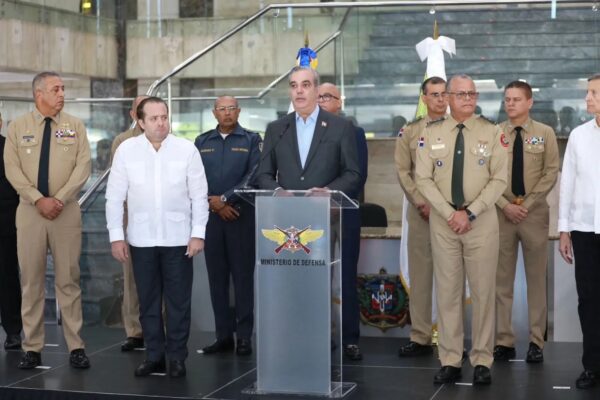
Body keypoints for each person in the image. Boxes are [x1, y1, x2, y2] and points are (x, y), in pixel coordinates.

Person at [106, 97, 209, 378]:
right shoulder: (127, 150)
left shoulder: (186, 149)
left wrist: (198, 234)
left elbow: (199, 196)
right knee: (148, 302)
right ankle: (154, 356)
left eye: (164, 117)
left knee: (178, 303)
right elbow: (114, 197)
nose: (161, 123)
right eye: (154, 118)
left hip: (178, 239)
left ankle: (176, 357)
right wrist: (116, 237)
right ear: (140, 122)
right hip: (141, 240)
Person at [415, 74, 507, 385]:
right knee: (448, 293)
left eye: (472, 93)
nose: (468, 98)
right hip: (444, 223)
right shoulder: (431, 132)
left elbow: (499, 180)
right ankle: (451, 359)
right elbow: (423, 178)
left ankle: (481, 360)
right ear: (448, 98)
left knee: (483, 293)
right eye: (461, 94)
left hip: (481, 222)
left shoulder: (492, 132)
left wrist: (469, 212)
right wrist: (449, 213)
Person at [4, 71, 92, 369]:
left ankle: (76, 346)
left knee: (69, 279)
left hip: (65, 212)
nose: (62, 94)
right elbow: (12, 168)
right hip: (30, 213)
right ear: (38, 93)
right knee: (31, 282)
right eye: (56, 89)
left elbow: (83, 166)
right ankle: (32, 347)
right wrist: (37, 198)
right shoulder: (18, 127)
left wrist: (59, 198)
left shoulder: (74, 126)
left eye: (63, 88)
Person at [494, 81, 559, 363]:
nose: (510, 104)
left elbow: (550, 172)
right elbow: (487, 175)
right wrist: (505, 205)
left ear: (529, 102)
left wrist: (527, 204)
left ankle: (536, 341)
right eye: (507, 99)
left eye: (516, 99)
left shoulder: (545, 133)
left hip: (534, 215)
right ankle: (503, 341)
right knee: (501, 281)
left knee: (536, 280)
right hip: (502, 215)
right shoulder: (495, 133)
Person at [195, 96, 261, 356]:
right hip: (212, 218)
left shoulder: (251, 140)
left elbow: (254, 175)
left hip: (240, 217)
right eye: (222, 109)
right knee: (217, 279)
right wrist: (215, 204)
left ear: (239, 111)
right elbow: (194, 178)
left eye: (231, 108)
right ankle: (223, 336)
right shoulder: (202, 142)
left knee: (242, 279)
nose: (227, 113)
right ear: (214, 113)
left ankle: (243, 337)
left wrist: (225, 199)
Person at [395, 76, 448, 357]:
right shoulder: (410, 131)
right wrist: (420, 201)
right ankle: (420, 336)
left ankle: (451, 337)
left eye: (444, 94)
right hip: (422, 213)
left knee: (451, 276)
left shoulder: (461, 128)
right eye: (434, 94)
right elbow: (403, 171)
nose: (440, 99)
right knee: (421, 275)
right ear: (424, 99)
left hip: (452, 214)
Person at [317, 83, 368, 361]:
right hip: (314, 213)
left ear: (339, 102)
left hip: (345, 212)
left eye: (328, 97)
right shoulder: (306, 134)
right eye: (319, 96)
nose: (322, 100)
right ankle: (322, 334)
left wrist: (336, 200)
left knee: (346, 276)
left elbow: (359, 174)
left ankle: (350, 339)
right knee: (318, 276)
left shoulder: (354, 132)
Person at [256, 66, 361, 196]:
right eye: (294, 86)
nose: (299, 91)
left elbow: (352, 174)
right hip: (285, 206)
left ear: (316, 91)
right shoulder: (275, 129)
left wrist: (328, 192)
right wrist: (277, 192)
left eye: (305, 85)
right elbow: (263, 174)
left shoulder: (341, 127)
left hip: (326, 206)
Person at [558, 73, 600, 390]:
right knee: (588, 301)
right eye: (588, 92)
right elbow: (567, 185)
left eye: (595, 93)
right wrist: (564, 229)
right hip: (584, 231)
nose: (588, 98)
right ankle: (592, 366)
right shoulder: (578, 135)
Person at [109, 95, 149, 352]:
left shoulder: (169, 139)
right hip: (130, 216)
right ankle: (135, 331)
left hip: (161, 218)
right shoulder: (122, 141)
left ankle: (161, 327)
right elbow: (117, 184)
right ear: (133, 114)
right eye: (141, 109)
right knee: (132, 277)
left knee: (163, 277)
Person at [0, 111, 23, 351]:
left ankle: (13, 331)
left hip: (4, 223)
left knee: (7, 278)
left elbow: (15, 187)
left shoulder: (9, 147)